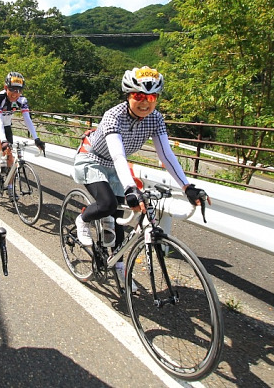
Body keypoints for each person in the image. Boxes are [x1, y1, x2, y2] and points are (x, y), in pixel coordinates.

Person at [72, 66, 211, 283]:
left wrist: (187, 186)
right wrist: (130, 189)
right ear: (128, 95)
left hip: (116, 165)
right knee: (108, 204)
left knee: (119, 217)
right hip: (93, 159)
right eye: (139, 96)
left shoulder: (155, 119)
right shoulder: (113, 116)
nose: (145, 102)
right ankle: (82, 219)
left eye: (152, 97)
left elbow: (166, 154)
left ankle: (118, 264)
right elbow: (118, 156)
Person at [0, 72, 45, 186]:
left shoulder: (22, 100)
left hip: (6, 126)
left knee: (10, 159)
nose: (16, 93)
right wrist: (4, 141)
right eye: (13, 89)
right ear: (6, 88)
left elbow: (27, 119)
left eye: (19, 90)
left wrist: (36, 138)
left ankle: (10, 187)